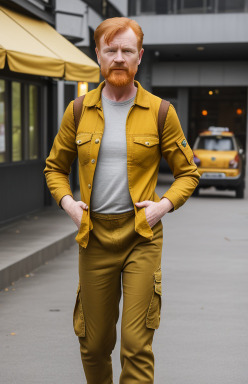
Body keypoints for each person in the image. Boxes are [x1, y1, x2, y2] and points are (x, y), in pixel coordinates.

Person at [44, 17, 200, 384]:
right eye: (110, 50)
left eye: (126, 51)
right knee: (94, 344)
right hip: (93, 237)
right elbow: (54, 168)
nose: (118, 58)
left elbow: (189, 172)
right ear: (98, 54)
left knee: (136, 343)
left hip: (141, 238)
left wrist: (162, 206)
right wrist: (68, 203)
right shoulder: (78, 111)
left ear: (139, 56)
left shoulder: (162, 112)